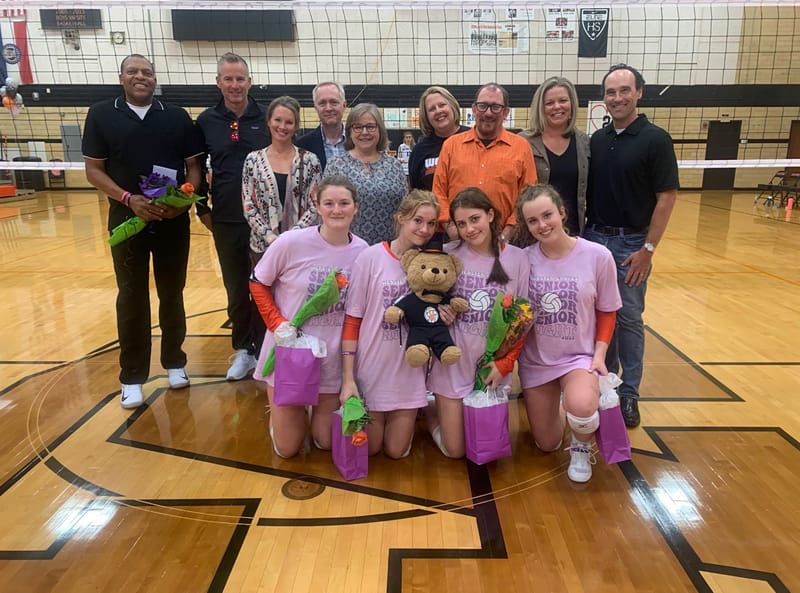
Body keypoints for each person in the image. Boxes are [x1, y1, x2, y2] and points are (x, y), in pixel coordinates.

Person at [82, 54, 203, 409]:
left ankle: (175, 363)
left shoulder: (176, 116)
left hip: (171, 221)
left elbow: (193, 168)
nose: (140, 77)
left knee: (172, 293)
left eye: (147, 72)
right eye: (133, 71)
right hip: (127, 220)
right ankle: (132, 376)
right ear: (121, 77)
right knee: (131, 297)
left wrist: (183, 202)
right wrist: (127, 198)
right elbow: (93, 170)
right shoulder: (101, 113)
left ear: (155, 80)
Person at [583, 64, 679, 428]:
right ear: (604, 98)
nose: (617, 98)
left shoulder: (655, 139)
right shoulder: (597, 139)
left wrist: (648, 250)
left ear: (639, 92)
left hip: (632, 243)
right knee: (600, 317)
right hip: (595, 238)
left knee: (629, 318)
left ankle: (629, 394)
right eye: (611, 92)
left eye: (625, 90)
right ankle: (605, 382)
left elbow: (667, 198)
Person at [249, 176, 368, 458]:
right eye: (329, 203)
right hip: (291, 354)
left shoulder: (363, 251)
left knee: (326, 442)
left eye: (344, 203)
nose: (336, 210)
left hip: (331, 357)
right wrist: (276, 323)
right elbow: (257, 281)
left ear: (356, 208)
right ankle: (282, 419)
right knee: (288, 449)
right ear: (317, 206)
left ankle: (309, 415)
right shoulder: (291, 242)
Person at [515, 184, 622, 483]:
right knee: (547, 443)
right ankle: (566, 408)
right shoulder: (523, 259)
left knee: (583, 406)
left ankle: (580, 444)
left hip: (579, 357)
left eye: (547, 215)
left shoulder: (598, 256)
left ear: (562, 212)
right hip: (537, 361)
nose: (542, 225)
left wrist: (599, 355)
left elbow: (608, 310)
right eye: (533, 220)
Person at [426, 187, 529, 458]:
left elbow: (523, 320)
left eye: (475, 219)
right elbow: (426, 304)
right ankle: (428, 411)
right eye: (461, 224)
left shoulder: (518, 258)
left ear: (490, 215)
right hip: (452, 363)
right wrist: (441, 312)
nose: (469, 229)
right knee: (455, 451)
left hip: (491, 366)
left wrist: (505, 364)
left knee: (487, 447)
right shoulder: (448, 254)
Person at [339, 190, 441, 458]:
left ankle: (428, 408)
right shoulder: (371, 258)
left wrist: (443, 314)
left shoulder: (432, 266)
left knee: (396, 452)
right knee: (370, 450)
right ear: (400, 218)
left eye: (431, 223)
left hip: (408, 373)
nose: (424, 229)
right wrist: (348, 378)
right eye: (417, 220)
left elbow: (434, 317)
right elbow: (352, 319)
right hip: (371, 369)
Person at [196, 52, 271, 381]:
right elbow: (194, 167)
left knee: (266, 285)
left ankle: (268, 346)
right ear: (218, 82)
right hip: (225, 218)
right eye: (228, 78)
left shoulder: (267, 117)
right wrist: (201, 208)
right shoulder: (206, 121)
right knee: (236, 287)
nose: (235, 84)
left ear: (249, 82)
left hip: (266, 223)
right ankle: (244, 349)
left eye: (240, 78)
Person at [433, 82, 537, 241]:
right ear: (474, 109)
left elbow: (528, 197)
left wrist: (506, 235)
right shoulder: (451, 145)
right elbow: (438, 192)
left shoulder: (521, 147)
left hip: (504, 242)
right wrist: (453, 229)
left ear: (506, 112)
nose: (488, 113)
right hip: (458, 241)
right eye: (482, 106)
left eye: (495, 107)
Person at [241, 95, 322, 257]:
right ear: (269, 121)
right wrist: (270, 237)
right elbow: (248, 204)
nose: (282, 126)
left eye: (289, 122)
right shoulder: (253, 160)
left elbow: (316, 205)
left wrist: (290, 237)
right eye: (278, 120)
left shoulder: (310, 161)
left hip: (300, 248)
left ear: (296, 126)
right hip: (262, 248)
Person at [323, 103, 407, 245]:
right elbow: (325, 207)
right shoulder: (336, 165)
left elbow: (406, 208)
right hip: (347, 249)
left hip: (389, 250)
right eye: (358, 127)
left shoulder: (395, 165)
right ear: (349, 131)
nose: (364, 132)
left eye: (370, 126)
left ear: (380, 130)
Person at [518, 76, 590, 237]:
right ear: (541, 108)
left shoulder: (583, 142)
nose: (557, 107)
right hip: (535, 233)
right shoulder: (523, 141)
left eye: (563, 100)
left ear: (572, 103)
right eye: (549, 103)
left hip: (573, 232)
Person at [408, 85, 470, 191]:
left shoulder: (472, 138)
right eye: (432, 109)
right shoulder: (420, 150)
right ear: (426, 116)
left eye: (442, 105)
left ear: (452, 106)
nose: (438, 111)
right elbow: (415, 191)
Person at [295, 81, 347, 171]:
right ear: (315, 108)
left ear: (344, 105)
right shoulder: (303, 146)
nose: (328, 108)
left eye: (334, 102)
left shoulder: (359, 140)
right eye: (322, 103)